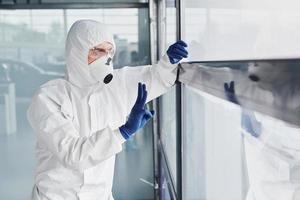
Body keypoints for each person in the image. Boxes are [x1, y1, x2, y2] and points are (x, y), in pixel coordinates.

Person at [27, 19, 188, 200]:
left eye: (109, 51)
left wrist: (168, 62)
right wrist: (123, 132)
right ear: (77, 52)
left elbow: (157, 78)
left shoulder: (116, 86)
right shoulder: (49, 97)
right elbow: (73, 155)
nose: (106, 58)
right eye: (98, 51)